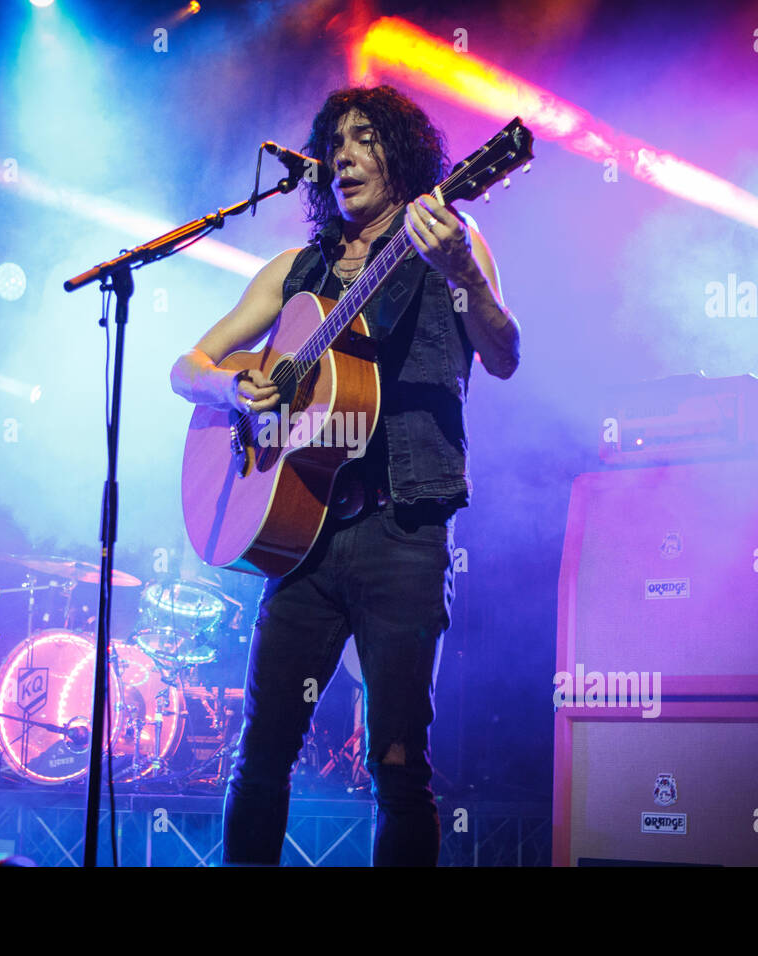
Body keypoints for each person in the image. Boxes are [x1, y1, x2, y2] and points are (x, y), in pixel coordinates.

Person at [169, 85, 520, 866]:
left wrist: (463, 268)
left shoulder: (447, 238)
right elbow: (186, 365)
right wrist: (232, 387)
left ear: (403, 154)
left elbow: (504, 355)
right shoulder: (295, 270)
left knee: (398, 765)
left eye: (366, 138)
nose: (344, 155)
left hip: (404, 531)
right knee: (260, 755)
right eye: (335, 142)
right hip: (301, 540)